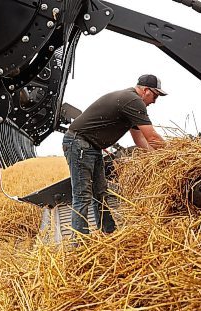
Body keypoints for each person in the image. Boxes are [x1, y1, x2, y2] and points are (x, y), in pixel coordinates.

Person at [62, 74, 167, 236]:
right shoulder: (134, 101)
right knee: (82, 195)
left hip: (91, 146)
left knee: (101, 192)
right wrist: (172, 156)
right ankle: (79, 244)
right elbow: (152, 137)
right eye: (155, 95)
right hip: (79, 144)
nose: (154, 101)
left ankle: (109, 233)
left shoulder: (130, 102)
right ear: (146, 91)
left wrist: (157, 159)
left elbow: (141, 141)